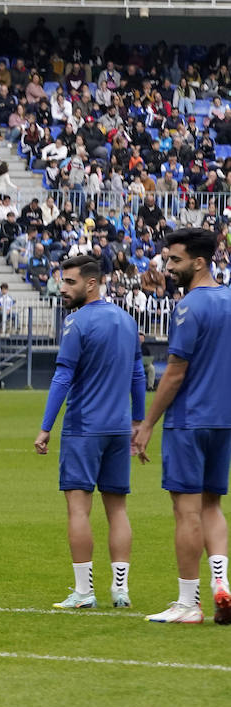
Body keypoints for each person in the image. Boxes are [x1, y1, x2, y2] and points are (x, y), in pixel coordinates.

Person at [132, 228, 231, 624]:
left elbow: (174, 372)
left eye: (175, 260)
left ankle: (189, 603)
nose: (167, 267)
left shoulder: (189, 307)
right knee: (212, 505)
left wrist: (147, 423)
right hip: (224, 420)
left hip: (190, 420)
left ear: (199, 262)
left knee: (186, 510)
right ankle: (222, 584)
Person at [34, 255, 144, 610]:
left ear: (91, 283)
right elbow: (138, 376)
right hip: (118, 428)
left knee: (78, 510)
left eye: (69, 282)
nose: (63, 289)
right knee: (118, 510)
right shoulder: (128, 321)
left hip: (84, 428)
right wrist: (138, 421)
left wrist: (45, 427)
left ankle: (84, 592)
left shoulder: (76, 323)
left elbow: (63, 376)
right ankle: (121, 589)